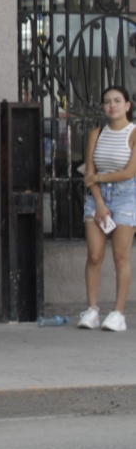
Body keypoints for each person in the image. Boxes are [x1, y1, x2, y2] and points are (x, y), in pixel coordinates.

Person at [78, 85, 136, 332]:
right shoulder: (96, 133)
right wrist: (99, 203)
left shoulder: (133, 133)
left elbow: (129, 172)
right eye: (106, 101)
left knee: (120, 256)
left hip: (126, 196)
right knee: (94, 255)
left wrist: (99, 180)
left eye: (117, 100)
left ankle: (118, 313)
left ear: (127, 105)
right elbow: (89, 171)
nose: (111, 105)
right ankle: (91, 310)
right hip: (97, 198)